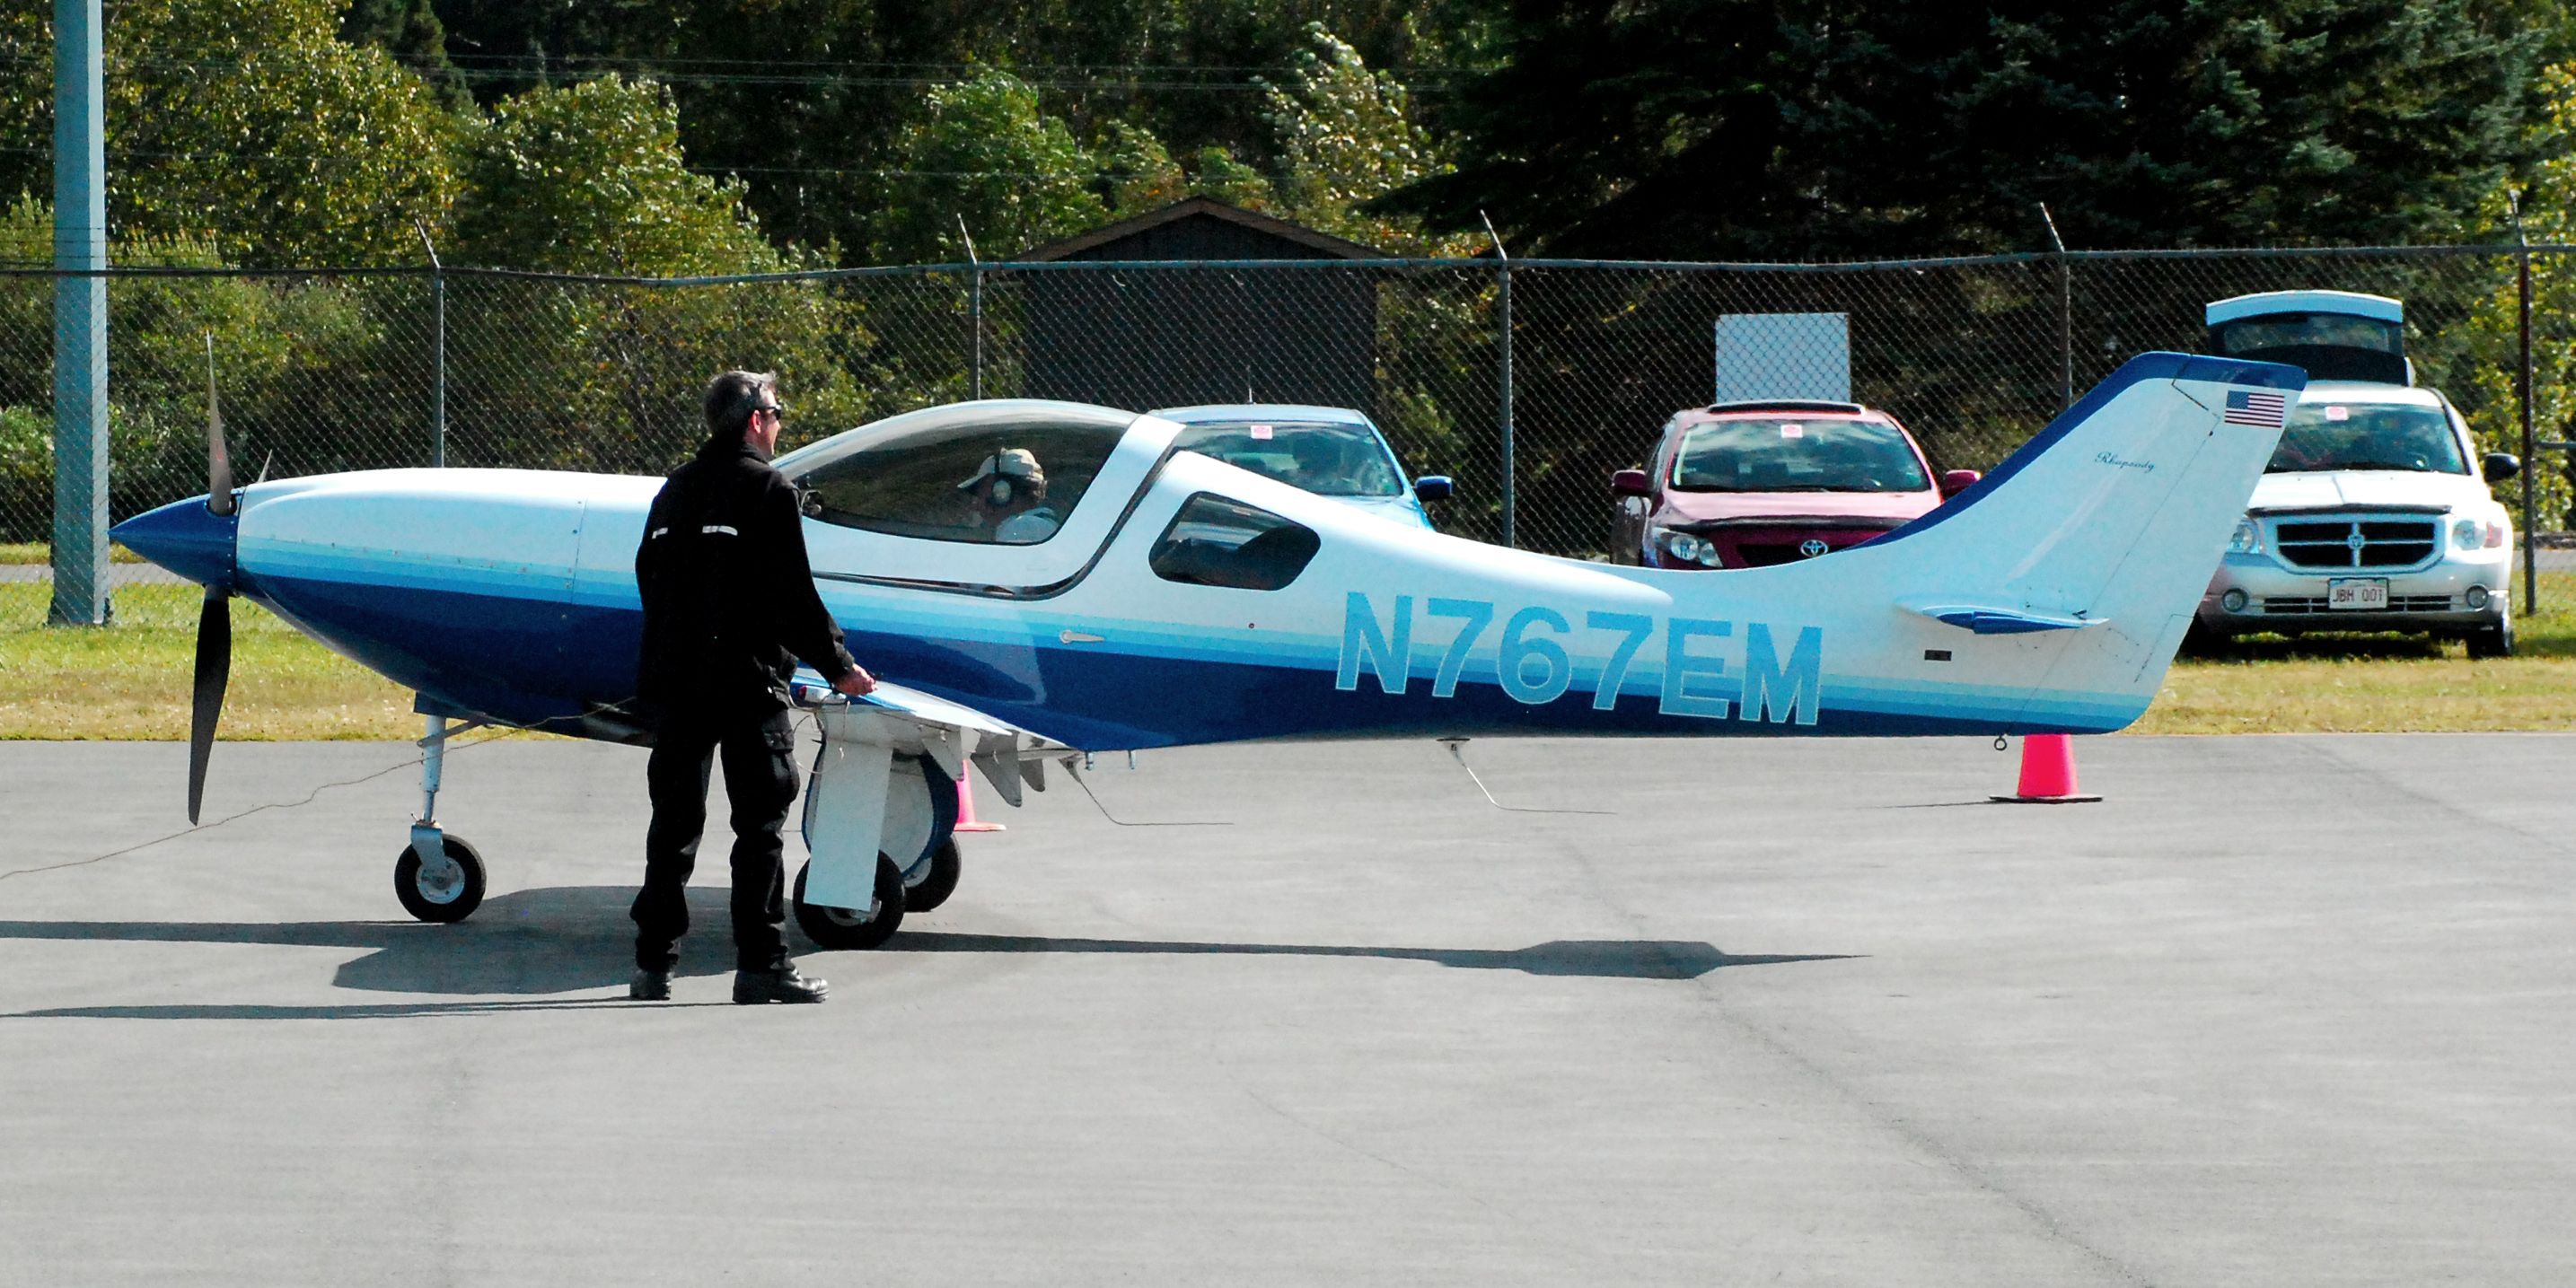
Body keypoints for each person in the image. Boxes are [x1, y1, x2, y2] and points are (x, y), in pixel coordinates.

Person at [629, 370, 876, 1004]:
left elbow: (648, 578)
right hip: (744, 681)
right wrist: (838, 663)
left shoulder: (674, 490)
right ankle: (762, 962)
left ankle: (652, 964)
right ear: (754, 420)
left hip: (677, 682)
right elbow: (793, 592)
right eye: (777, 410)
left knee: (673, 824)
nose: (780, 421)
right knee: (760, 826)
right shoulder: (768, 488)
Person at [956, 447, 1061, 543]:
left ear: (1003, 491)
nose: (976, 505)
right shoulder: (1040, 524)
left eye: (981, 491)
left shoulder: (1022, 527)